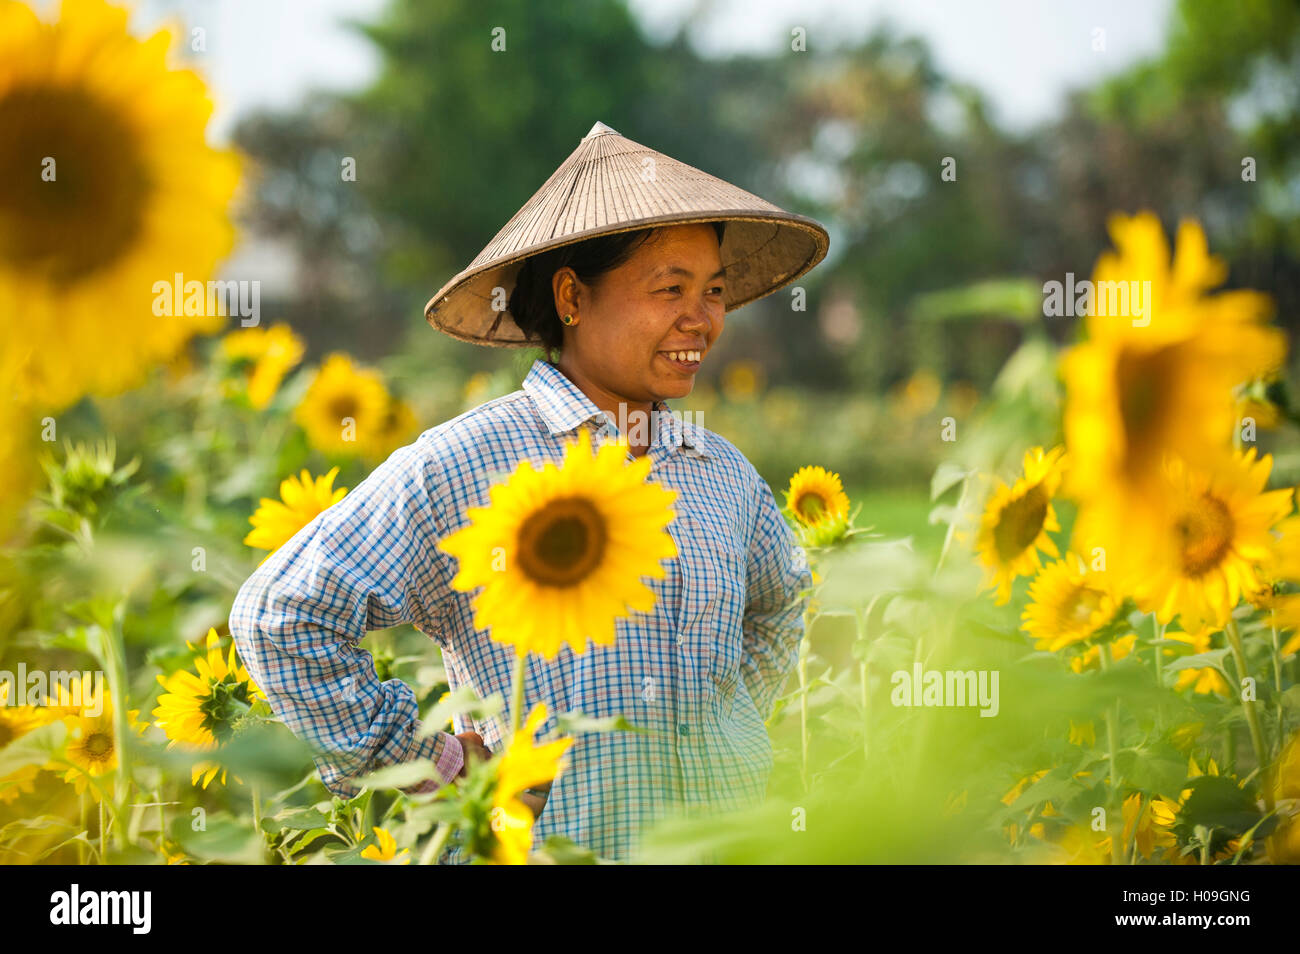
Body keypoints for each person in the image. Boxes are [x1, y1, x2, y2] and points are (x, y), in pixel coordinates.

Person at [229, 121, 829, 862]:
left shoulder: (719, 470)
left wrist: (727, 731)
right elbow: (281, 616)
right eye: (670, 288)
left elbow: (783, 600)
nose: (702, 320)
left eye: (712, 291)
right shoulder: (468, 464)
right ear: (572, 297)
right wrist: (433, 767)